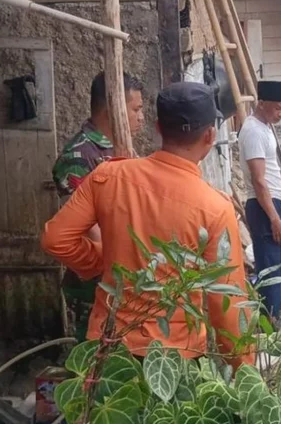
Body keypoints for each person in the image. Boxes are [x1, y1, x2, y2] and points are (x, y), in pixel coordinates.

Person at [42, 82, 253, 366]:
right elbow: (227, 305)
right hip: (175, 356)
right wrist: (242, 371)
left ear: (157, 127)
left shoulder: (108, 176)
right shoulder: (215, 207)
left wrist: (105, 261)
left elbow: (56, 239)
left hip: (108, 344)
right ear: (210, 135)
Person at [51, 71, 145, 342]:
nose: (142, 117)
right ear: (113, 108)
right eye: (136, 109)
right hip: (97, 280)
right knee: (94, 355)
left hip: (123, 276)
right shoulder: (80, 156)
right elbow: (91, 230)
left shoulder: (120, 150)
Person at [239, 81, 281, 319]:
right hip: (264, 207)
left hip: (275, 202)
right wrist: (274, 217)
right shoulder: (252, 130)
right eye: (277, 109)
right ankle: (271, 322)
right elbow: (258, 180)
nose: (280, 114)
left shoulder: (265, 127)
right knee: (271, 268)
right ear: (261, 104)